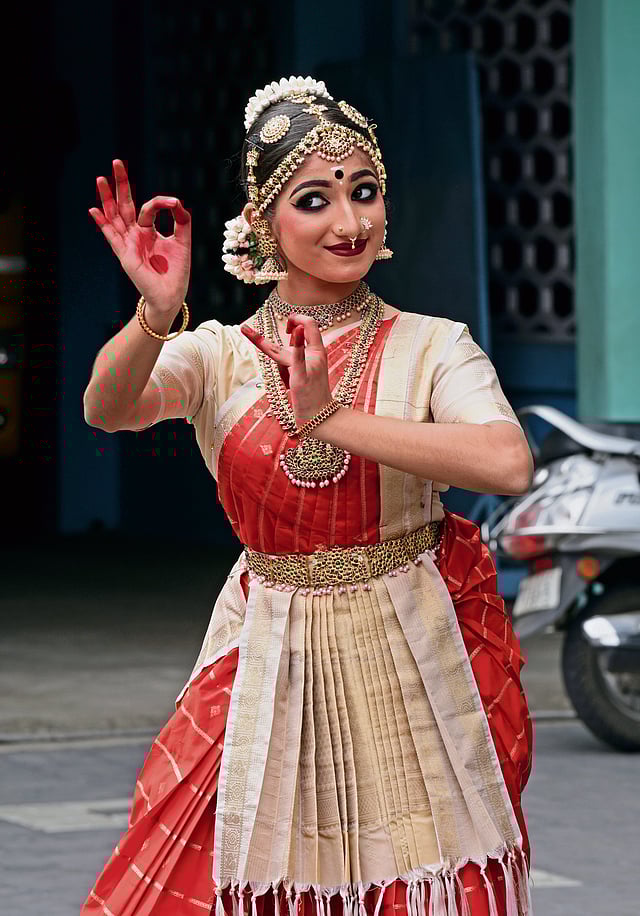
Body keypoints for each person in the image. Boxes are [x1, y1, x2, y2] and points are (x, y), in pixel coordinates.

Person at [82, 75, 534, 916]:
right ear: (261, 224)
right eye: (315, 200)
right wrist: (156, 314)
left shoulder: (434, 347)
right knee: (214, 865)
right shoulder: (217, 354)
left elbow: (508, 462)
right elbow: (107, 408)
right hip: (267, 653)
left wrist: (332, 419)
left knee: (431, 884)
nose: (349, 222)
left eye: (364, 193)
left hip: (416, 651)